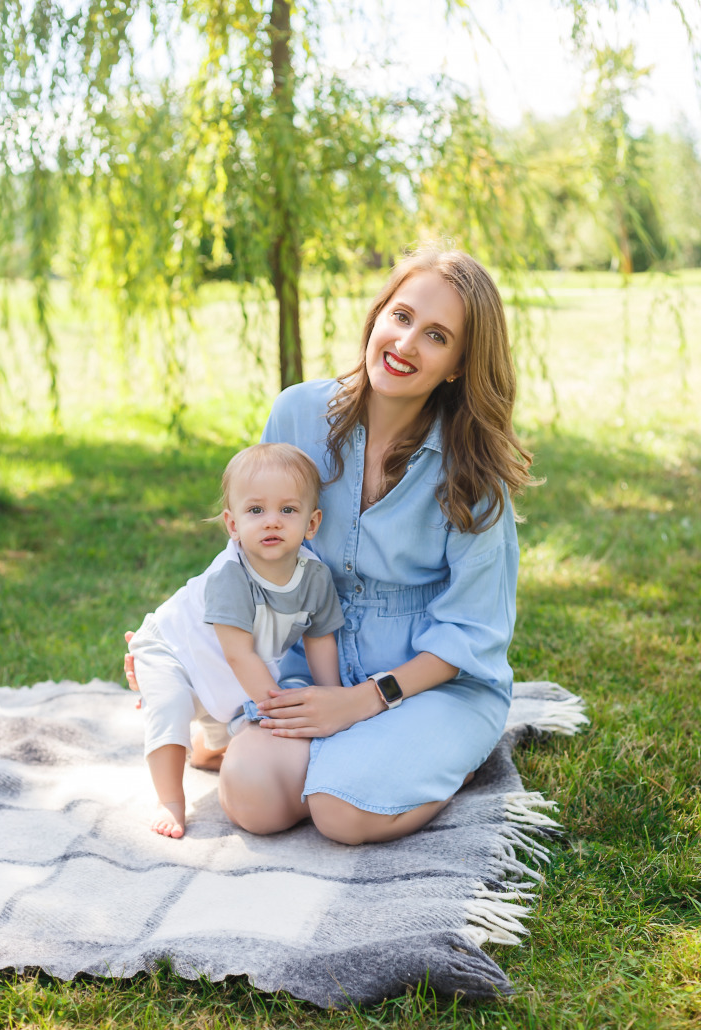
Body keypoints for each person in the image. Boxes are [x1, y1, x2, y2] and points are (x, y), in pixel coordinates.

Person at [125, 244, 535, 846]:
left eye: (437, 336)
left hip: (431, 682)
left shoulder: (473, 470)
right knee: (253, 798)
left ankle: (451, 758)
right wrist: (175, 636)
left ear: (457, 365)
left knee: (341, 813)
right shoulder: (298, 413)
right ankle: (313, 756)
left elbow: (472, 632)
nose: (405, 344)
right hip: (312, 665)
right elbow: (257, 544)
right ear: (377, 318)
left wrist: (364, 702)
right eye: (401, 317)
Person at [129, 442, 345, 838]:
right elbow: (237, 655)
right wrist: (277, 709)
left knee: (231, 713)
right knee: (174, 705)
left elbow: (320, 639)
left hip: (223, 662)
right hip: (172, 649)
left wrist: (333, 700)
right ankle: (170, 801)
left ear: (312, 524)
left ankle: (208, 748)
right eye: (256, 510)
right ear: (232, 524)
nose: (272, 522)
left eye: (288, 510)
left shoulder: (315, 577)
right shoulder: (231, 576)